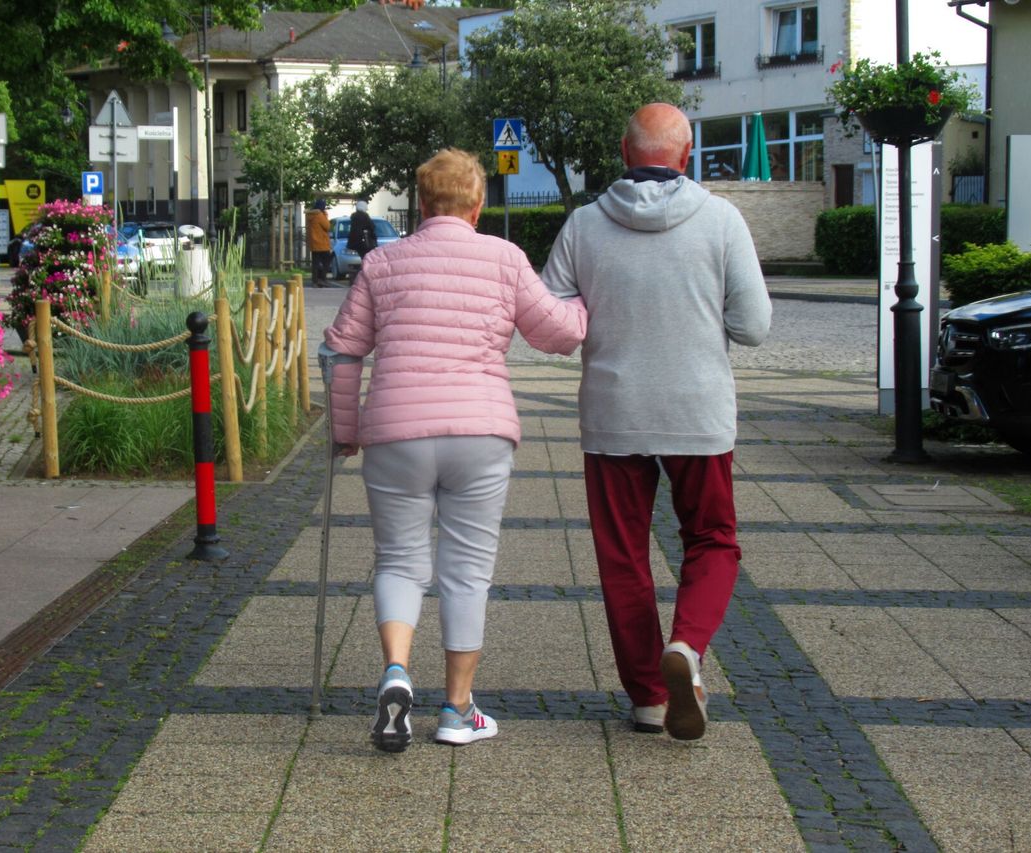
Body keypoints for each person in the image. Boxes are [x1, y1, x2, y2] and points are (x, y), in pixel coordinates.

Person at [322, 149, 587, 753]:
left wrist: (345, 432)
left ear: (420, 205)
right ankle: (456, 710)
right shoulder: (504, 258)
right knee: (467, 570)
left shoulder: (382, 263)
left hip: (395, 430)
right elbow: (557, 333)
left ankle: (396, 671)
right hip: (479, 430)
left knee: (397, 560)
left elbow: (343, 352)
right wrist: (589, 302)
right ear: (476, 205)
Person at [541, 103, 771, 741]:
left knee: (623, 556)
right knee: (713, 540)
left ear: (624, 152)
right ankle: (689, 648)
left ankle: (647, 698)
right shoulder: (723, 220)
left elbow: (554, 324)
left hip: (615, 414)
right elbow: (753, 327)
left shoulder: (584, 226)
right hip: (698, 412)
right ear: (687, 155)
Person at [305, 198, 332, 287]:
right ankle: (323, 279)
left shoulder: (310, 215)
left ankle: (315, 281)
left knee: (315, 263)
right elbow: (327, 226)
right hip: (322, 243)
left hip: (314, 242)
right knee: (326, 261)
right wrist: (325, 215)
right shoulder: (319, 215)